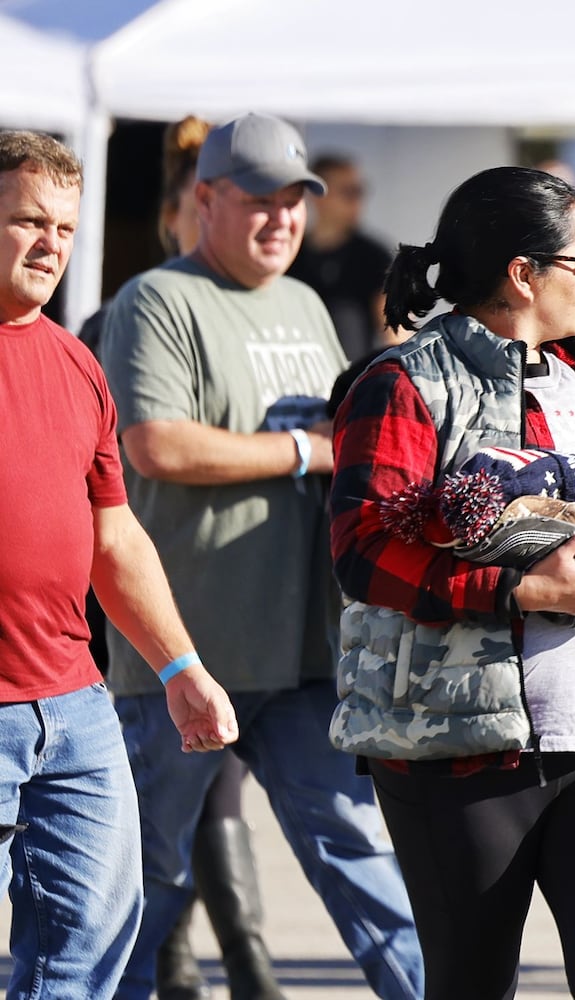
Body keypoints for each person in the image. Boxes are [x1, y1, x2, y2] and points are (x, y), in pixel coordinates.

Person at [327, 165, 575, 1000]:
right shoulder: (405, 382)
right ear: (522, 272)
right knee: (471, 986)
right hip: (462, 747)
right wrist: (520, 593)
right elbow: (362, 549)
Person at [98, 112, 423, 1000]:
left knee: (361, 857)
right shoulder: (158, 300)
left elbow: (347, 439)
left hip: (306, 652)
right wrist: (301, 452)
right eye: (260, 202)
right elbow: (155, 444)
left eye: (294, 202)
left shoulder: (307, 304)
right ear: (205, 200)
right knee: (146, 883)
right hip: (186, 656)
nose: (282, 220)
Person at [0, 129, 238, 999]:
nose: (50, 244)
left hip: (72, 701)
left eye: (63, 227)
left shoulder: (76, 364)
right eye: (28, 221)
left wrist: (181, 666)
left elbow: (115, 535)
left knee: (93, 940)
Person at [81, 113, 285, 1000]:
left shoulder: (273, 310)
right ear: (189, 212)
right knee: (170, 816)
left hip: (211, 618)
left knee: (203, 801)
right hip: (136, 609)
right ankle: (198, 968)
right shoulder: (128, 318)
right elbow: (147, 454)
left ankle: (229, 967)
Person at [287, 153, 396, 360]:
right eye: (348, 192)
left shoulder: (374, 256)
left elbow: (394, 332)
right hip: (297, 374)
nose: (358, 200)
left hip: (350, 383)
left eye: (360, 191)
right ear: (318, 195)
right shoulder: (289, 253)